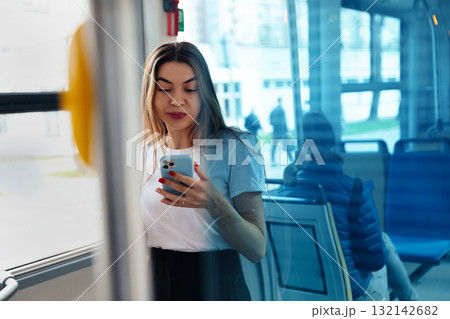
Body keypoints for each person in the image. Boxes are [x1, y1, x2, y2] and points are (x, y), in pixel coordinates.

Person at [139, 41, 266, 301]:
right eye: (164, 88)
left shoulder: (237, 146)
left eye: (190, 88)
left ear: (205, 92)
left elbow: (257, 249)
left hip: (216, 284)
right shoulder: (144, 149)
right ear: (151, 93)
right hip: (156, 282)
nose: (177, 100)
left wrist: (215, 203)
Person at [278, 112, 419, 301]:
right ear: (334, 142)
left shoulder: (284, 192)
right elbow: (376, 260)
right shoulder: (354, 191)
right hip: (350, 292)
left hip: (302, 290)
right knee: (383, 241)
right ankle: (413, 303)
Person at [269, 98, 293, 165]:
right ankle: (291, 159)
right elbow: (284, 121)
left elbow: (270, 122)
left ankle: (272, 161)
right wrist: (287, 130)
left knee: (274, 146)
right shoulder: (281, 110)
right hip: (282, 131)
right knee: (287, 146)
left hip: (276, 131)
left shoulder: (273, 110)